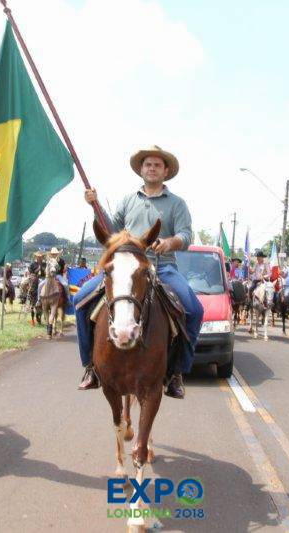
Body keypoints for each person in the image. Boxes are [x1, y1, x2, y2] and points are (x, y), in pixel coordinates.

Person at [74, 145, 203, 399]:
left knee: (195, 310)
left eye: (157, 165)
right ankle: (90, 367)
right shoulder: (128, 201)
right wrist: (95, 204)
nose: (152, 168)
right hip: (124, 267)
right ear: (141, 170)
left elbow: (186, 235)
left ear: (165, 171)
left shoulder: (177, 204)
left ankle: (177, 372)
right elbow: (111, 231)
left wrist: (169, 243)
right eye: (148, 164)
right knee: (80, 301)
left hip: (163, 266)